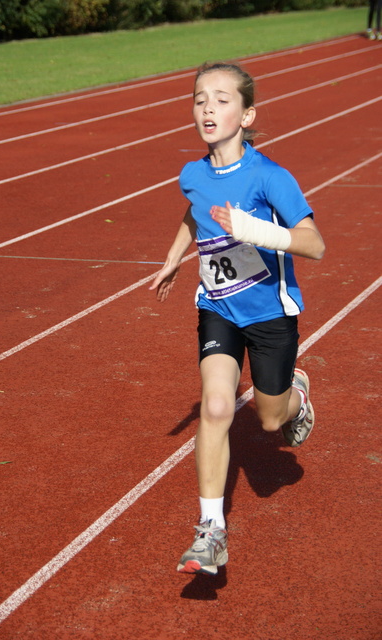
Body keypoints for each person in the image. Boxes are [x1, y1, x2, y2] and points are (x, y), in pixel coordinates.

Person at [149, 62, 325, 576]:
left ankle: (296, 393)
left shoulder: (272, 177)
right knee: (219, 404)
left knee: (271, 419)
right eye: (200, 98)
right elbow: (194, 212)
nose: (208, 107)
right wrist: (173, 260)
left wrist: (255, 230)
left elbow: (314, 244)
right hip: (218, 306)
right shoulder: (193, 174)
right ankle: (210, 533)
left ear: (246, 115)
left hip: (271, 313)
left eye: (222, 100)